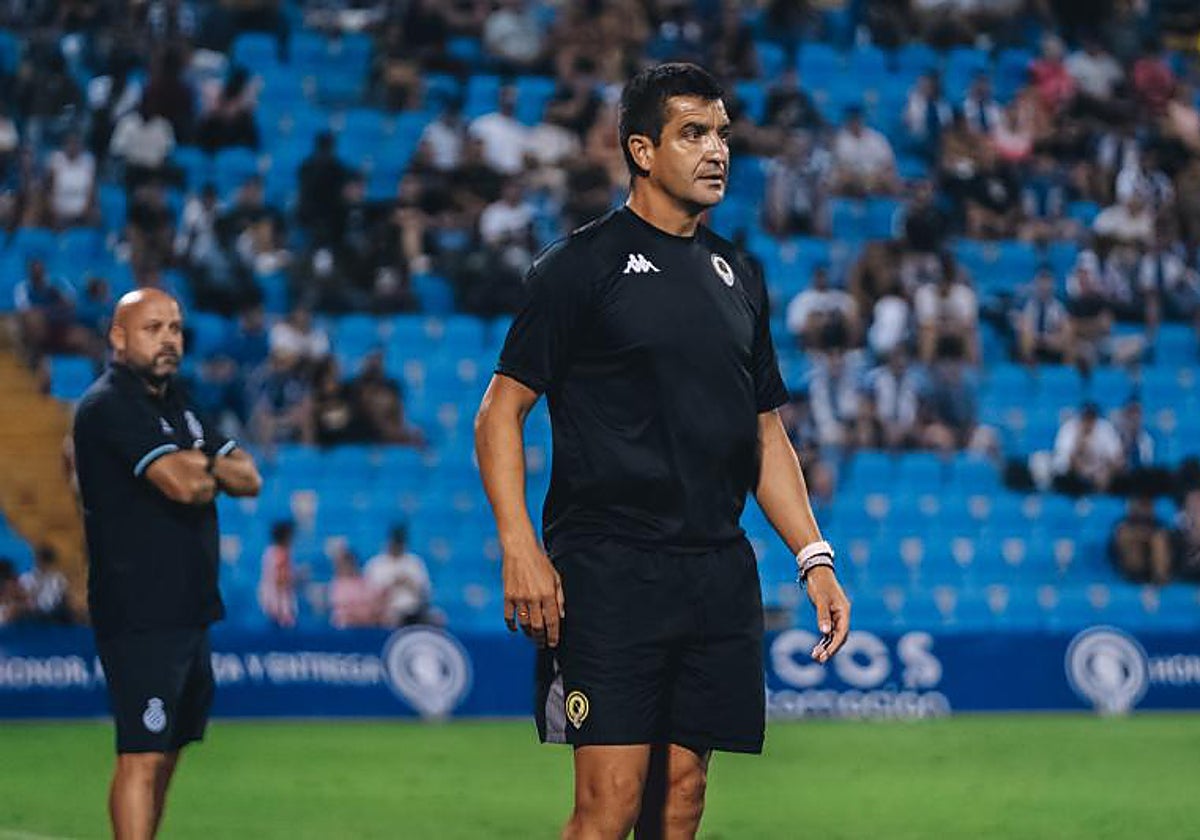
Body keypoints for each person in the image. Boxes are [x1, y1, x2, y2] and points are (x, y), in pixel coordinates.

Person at [474, 63, 849, 839]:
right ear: (642, 151)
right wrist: (520, 548)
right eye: (693, 134)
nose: (717, 151)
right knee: (609, 806)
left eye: (722, 134)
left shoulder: (738, 274)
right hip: (610, 567)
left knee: (681, 798)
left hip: (714, 569)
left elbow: (763, 430)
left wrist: (814, 557)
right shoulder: (580, 266)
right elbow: (499, 413)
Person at [72, 288, 262, 840]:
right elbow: (183, 486)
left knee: (171, 751)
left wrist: (198, 463)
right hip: (139, 610)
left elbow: (249, 477)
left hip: (189, 608)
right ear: (118, 337)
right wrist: (205, 466)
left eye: (175, 328)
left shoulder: (180, 399)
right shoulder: (108, 404)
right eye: (153, 328)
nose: (168, 340)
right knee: (142, 753)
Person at [363, 525, 433, 627]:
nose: (396, 546)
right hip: (388, 610)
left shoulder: (414, 562)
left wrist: (408, 583)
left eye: (399, 543)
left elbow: (426, 592)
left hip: (414, 609)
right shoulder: (375, 564)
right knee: (391, 618)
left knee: (436, 617)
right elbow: (369, 594)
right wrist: (392, 584)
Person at [259, 520, 297, 628]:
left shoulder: (269, 551)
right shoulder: (282, 554)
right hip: (278, 601)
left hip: (268, 596)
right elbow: (281, 580)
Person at [19, 545, 70, 623]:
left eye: (46, 562)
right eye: (40, 561)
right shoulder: (26, 578)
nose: (43, 565)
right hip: (33, 614)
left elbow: (64, 599)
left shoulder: (59, 579)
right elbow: (24, 598)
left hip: (55, 615)